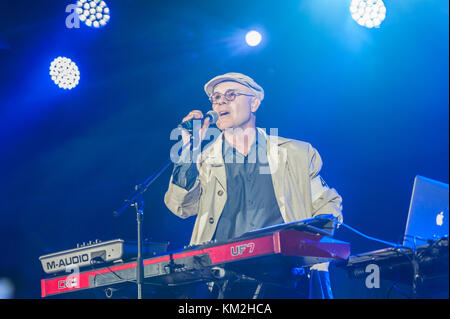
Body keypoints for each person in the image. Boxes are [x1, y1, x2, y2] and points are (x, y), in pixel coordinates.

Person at [164, 72, 343, 298]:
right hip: (222, 283)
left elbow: (326, 204)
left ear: (255, 102)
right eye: (216, 98)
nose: (220, 101)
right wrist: (191, 148)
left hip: (286, 281)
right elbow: (180, 206)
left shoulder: (296, 154)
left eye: (230, 95)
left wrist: (310, 249)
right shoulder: (201, 160)